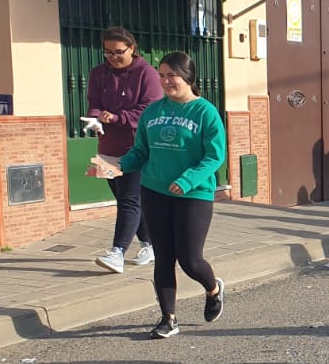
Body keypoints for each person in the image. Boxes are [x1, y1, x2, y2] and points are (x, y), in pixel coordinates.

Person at [88, 52, 226, 339]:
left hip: (194, 194)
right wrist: (118, 167)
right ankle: (168, 318)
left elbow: (215, 156)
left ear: (188, 77)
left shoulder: (205, 112)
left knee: (190, 260)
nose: (165, 81)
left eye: (171, 75)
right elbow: (140, 151)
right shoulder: (153, 112)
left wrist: (187, 180)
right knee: (163, 257)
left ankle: (213, 289)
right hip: (154, 191)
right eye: (161, 75)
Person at [87, 27, 162, 273]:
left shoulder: (147, 73)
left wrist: (118, 118)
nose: (113, 57)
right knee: (124, 199)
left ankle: (117, 253)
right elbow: (93, 103)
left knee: (129, 200)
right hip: (107, 147)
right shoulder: (98, 73)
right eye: (108, 52)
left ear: (132, 48)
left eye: (119, 52)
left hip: (136, 148)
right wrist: (95, 118)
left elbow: (149, 108)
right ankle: (150, 244)